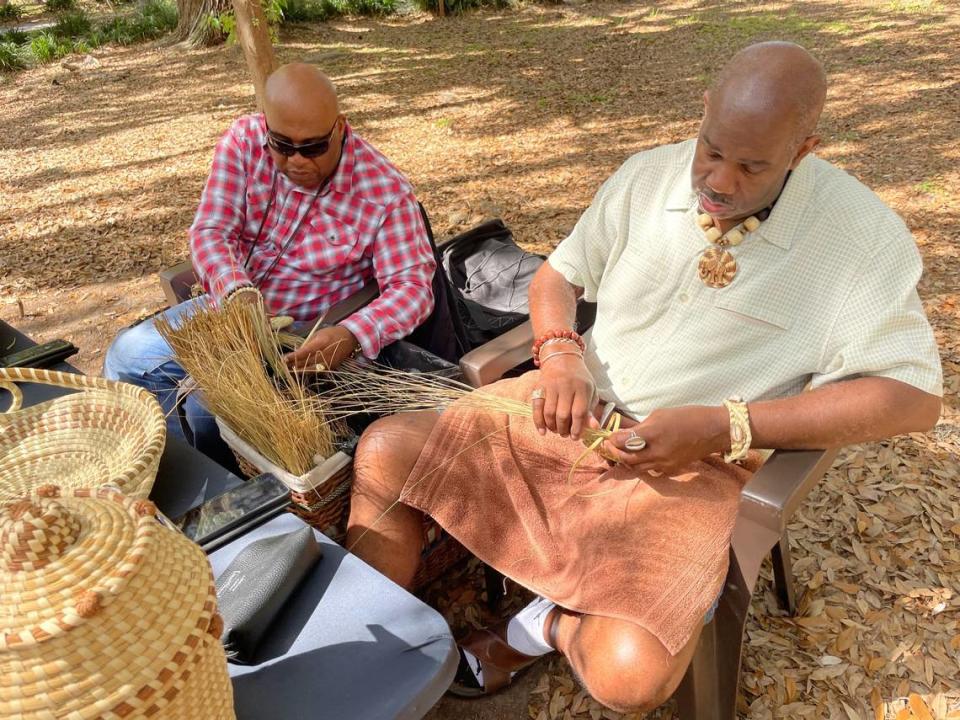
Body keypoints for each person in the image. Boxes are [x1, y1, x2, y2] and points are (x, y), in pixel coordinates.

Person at [346, 41, 943, 712]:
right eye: (712, 150)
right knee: (386, 453)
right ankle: (371, 664)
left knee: (629, 678)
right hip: (568, 414)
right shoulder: (647, 177)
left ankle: (540, 624)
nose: (719, 182)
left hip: (699, 465)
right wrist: (562, 355)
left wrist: (726, 425)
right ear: (705, 110)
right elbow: (558, 274)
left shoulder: (859, 237)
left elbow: (911, 398)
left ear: (804, 149)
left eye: (752, 166)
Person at [104, 63, 436, 460]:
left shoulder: (383, 191)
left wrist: (350, 334)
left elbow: (413, 289)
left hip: (304, 335)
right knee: (126, 357)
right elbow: (211, 231)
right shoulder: (242, 143)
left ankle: (221, 489)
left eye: (313, 148)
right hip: (230, 308)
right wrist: (235, 289)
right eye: (281, 145)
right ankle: (168, 465)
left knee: (208, 407)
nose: (296, 161)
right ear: (266, 126)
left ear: (341, 127)